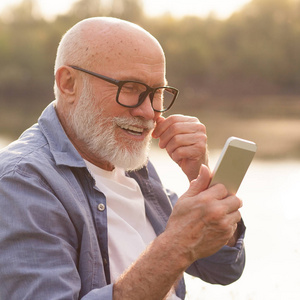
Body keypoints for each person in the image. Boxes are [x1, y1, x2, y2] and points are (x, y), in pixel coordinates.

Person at [0, 17, 245, 300]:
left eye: (157, 93)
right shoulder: (20, 182)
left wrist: (201, 179)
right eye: (130, 88)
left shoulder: (130, 164)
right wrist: (176, 246)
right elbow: (184, 245)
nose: (149, 112)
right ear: (68, 83)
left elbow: (224, 269)